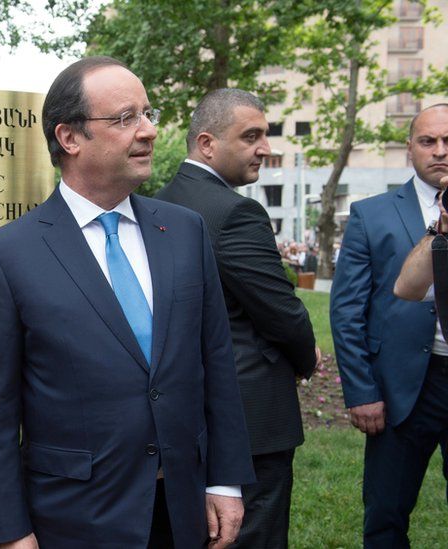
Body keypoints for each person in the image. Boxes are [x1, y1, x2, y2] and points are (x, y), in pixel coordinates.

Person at [0, 56, 254, 549]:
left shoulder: (185, 231)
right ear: (70, 138)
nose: (149, 131)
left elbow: (217, 363)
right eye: (125, 118)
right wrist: (10, 533)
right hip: (75, 516)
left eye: (147, 113)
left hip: (183, 508)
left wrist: (223, 480)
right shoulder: (7, 255)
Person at [155, 88, 319, 548]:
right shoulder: (237, 212)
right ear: (207, 143)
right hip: (250, 421)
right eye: (251, 136)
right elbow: (282, 312)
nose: (265, 148)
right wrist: (307, 358)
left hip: (184, 412)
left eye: (264, 136)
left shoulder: (159, 203)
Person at [331, 103, 448, 547]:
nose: (439, 150)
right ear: (410, 149)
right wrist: (362, 392)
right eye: (427, 141)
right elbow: (346, 311)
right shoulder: (371, 214)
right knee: (386, 513)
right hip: (403, 386)